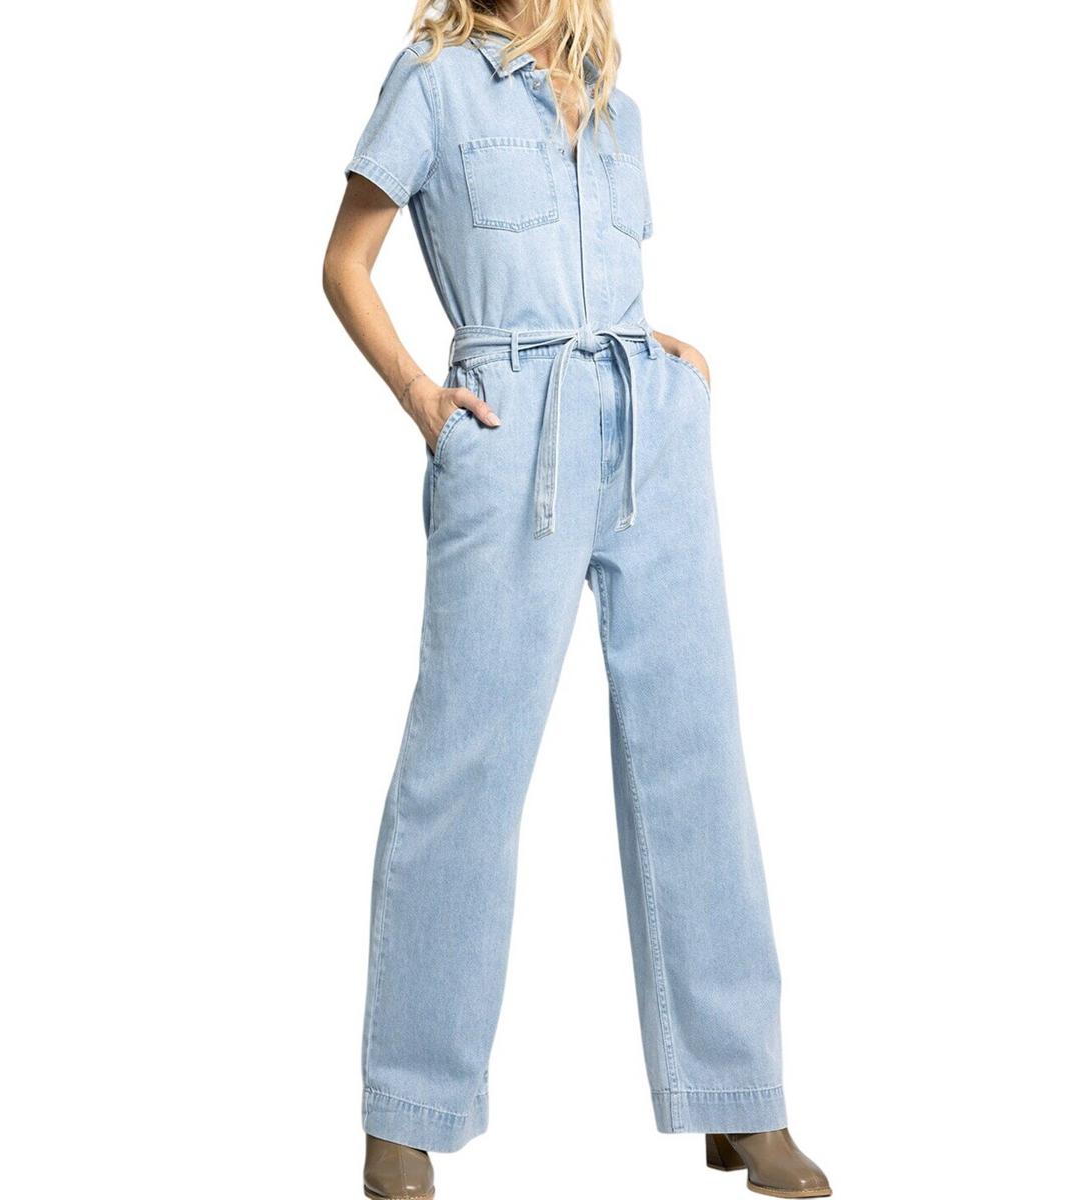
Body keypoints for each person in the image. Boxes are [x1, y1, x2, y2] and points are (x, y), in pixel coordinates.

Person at [323, 2, 831, 1197]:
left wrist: (665, 358)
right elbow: (345, 264)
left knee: (695, 757)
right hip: (511, 434)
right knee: (465, 765)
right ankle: (406, 1111)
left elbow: (598, 282)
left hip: (649, 428)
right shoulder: (433, 82)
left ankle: (738, 1097)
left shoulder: (614, 105)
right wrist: (422, 398)